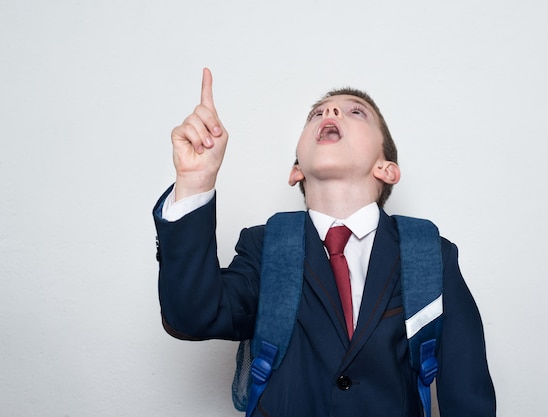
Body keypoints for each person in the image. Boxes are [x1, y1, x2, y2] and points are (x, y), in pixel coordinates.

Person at [153, 68, 496, 416]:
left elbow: (468, 394)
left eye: (355, 111)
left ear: (386, 168)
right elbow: (192, 316)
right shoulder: (266, 246)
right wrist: (195, 182)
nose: (330, 113)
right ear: (296, 169)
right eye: (317, 112)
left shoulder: (429, 253)